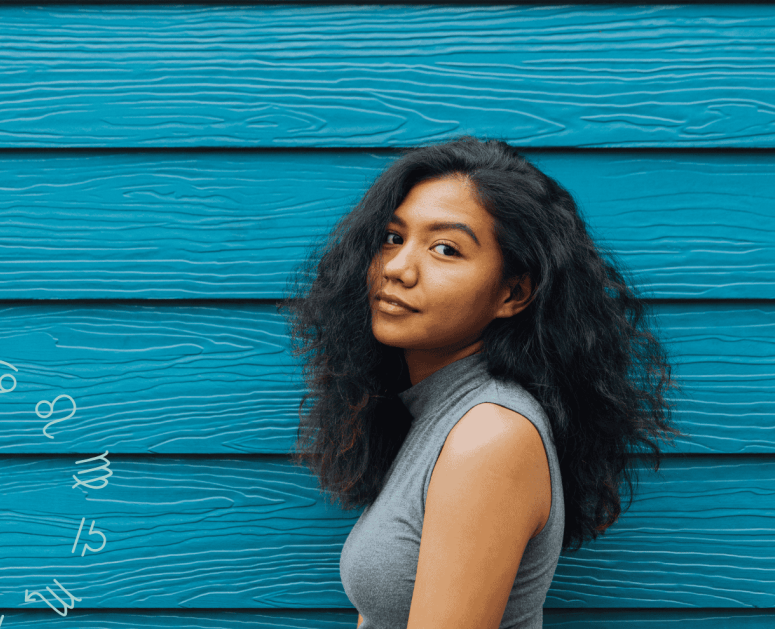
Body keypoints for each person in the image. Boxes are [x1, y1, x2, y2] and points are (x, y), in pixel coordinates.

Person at [283, 136, 678, 628]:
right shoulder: (437, 414)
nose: (399, 268)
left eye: (445, 249)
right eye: (392, 238)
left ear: (512, 293)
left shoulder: (489, 436)